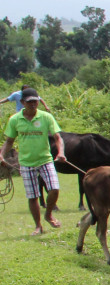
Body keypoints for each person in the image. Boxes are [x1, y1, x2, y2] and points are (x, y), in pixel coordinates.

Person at [1, 88, 66, 236]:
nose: (33, 104)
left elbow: (57, 137)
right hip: (26, 162)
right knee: (33, 196)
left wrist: (61, 152)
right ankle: (38, 226)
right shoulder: (15, 120)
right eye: (30, 102)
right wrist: (1, 155)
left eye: (35, 101)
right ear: (22, 102)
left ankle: (48, 214)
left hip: (45, 160)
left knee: (54, 189)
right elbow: (9, 141)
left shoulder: (46, 117)